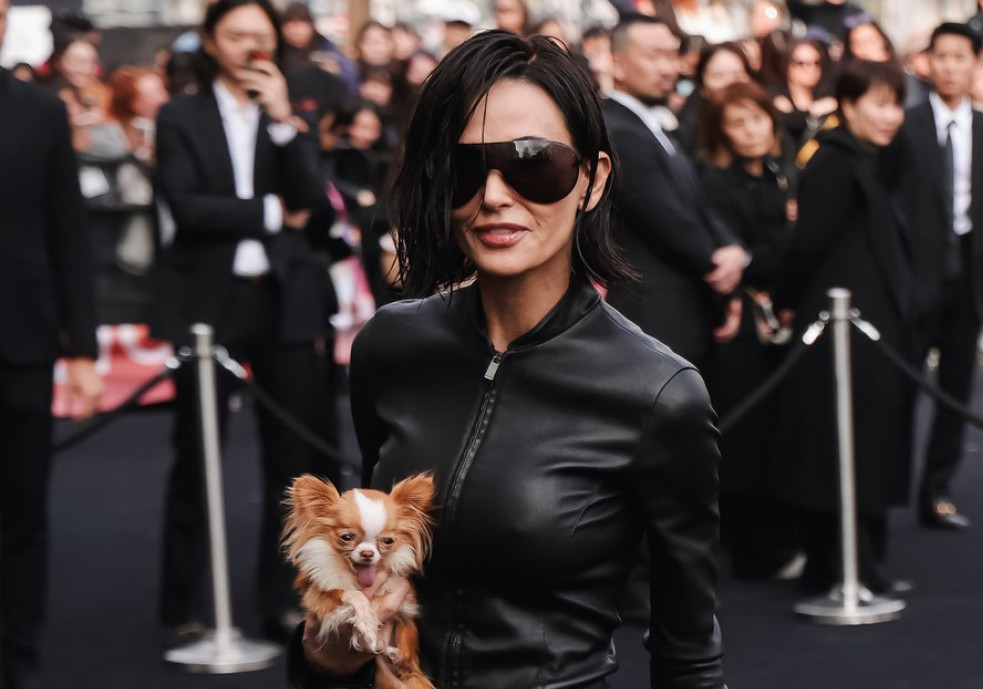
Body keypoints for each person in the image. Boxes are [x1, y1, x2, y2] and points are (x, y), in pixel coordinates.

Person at [290, 29, 726, 689]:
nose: (494, 194)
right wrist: (326, 655)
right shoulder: (390, 346)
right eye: (464, 168)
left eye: (532, 163)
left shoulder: (656, 390)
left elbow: (689, 650)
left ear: (592, 179)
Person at [152, 0, 340, 645]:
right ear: (210, 41)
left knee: (295, 460)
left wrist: (285, 123)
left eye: (261, 36)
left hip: (284, 298)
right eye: (236, 35)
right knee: (196, 454)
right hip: (208, 303)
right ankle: (182, 603)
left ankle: (283, 599)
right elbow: (186, 206)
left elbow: (316, 206)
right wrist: (268, 213)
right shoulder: (179, 115)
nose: (250, 47)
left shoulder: (290, 117)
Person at [772, 59, 915, 595]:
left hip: (864, 327)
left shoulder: (864, 158)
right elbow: (807, 245)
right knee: (842, 446)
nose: (891, 116)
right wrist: (786, 301)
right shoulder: (834, 162)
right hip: (839, 327)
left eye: (896, 104)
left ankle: (858, 565)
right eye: (879, 104)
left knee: (863, 443)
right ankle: (843, 567)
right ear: (848, 106)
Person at [0, 1, 103, 686]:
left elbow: (69, 234)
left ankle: (16, 657)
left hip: (22, 341)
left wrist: (84, 350)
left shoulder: (39, 111)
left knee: (21, 510)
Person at [894, 23, 983, 531]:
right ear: (928, 62)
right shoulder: (906, 125)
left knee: (956, 387)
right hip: (916, 270)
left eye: (960, 57)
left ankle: (937, 488)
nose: (949, 67)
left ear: (975, 63)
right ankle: (887, 485)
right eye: (941, 56)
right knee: (900, 383)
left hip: (969, 270)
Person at [699, 80, 800, 580]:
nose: (751, 130)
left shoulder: (782, 174)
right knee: (745, 437)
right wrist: (774, 252)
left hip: (782, 319)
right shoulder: (715, 183)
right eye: (737, 123)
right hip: (742, 326)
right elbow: (736, 256)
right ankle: (750, 549)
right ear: (722, 132)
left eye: (757, 118)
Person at [606, 15, 747, 366]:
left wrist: (733, 249)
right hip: (654, 315)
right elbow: (669, 220)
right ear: (617, 63)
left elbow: (695, 201)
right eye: (654, 56)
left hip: (680, 309)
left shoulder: (650, 121)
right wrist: (722, 267)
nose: (668, 67)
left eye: (672, 55)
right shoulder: (617, 128)